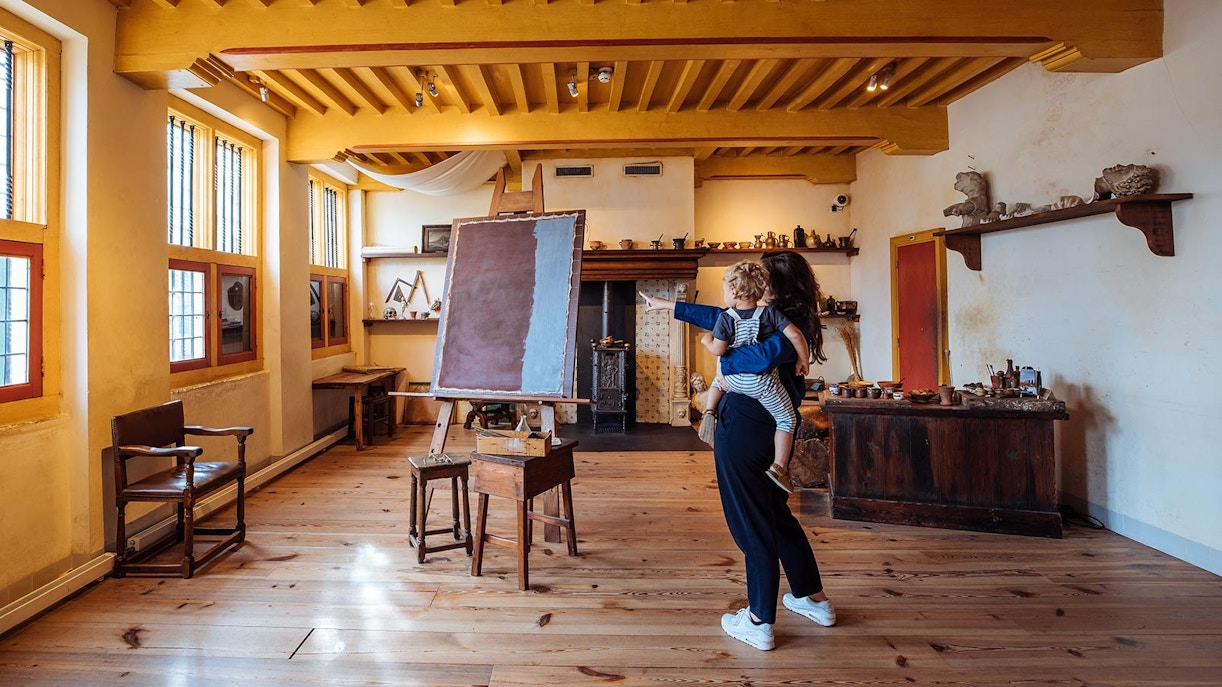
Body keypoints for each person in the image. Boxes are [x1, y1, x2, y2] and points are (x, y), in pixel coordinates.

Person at [640, 250, 834, 651]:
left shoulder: (779, 328)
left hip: (746, 427)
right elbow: (720, 315)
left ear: (776, 282)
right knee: (775, 515)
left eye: (762, 276)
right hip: (764, 426)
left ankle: (760, 620)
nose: (754, 282)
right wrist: (669, 305)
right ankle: (812, 598)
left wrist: (716, 347)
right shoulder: (776, 318)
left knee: (751, 522)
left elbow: (739, 351)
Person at [667, 260, 810, 494]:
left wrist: (710, 346)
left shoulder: (727, 318)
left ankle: (709, 410)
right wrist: (803, 359)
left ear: (733, 291)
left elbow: (719, 347)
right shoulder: (771, 315)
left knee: (716, 380)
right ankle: (780, 467)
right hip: (759, 384)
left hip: (731, 382)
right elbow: (793, 336)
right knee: (787, 420)